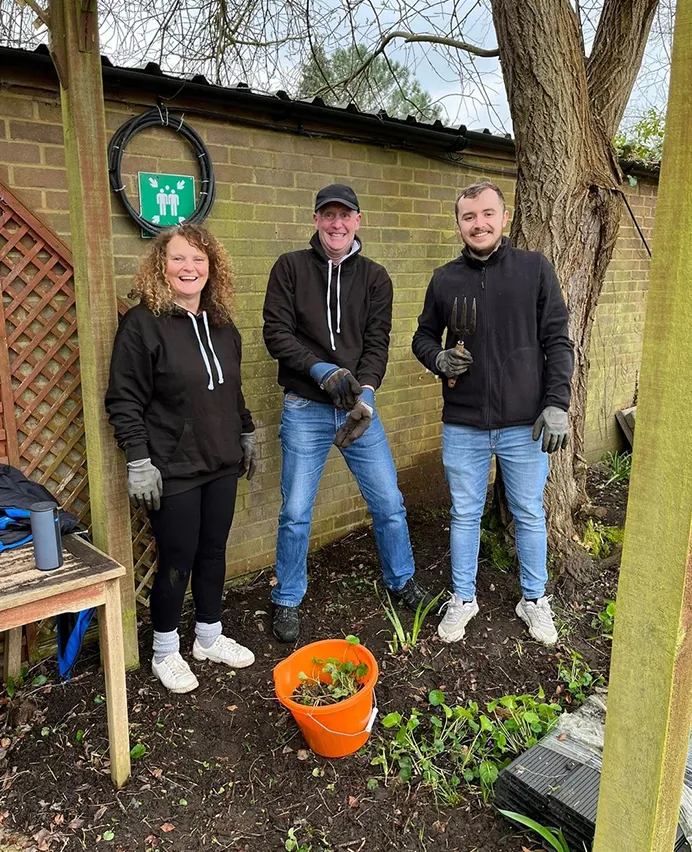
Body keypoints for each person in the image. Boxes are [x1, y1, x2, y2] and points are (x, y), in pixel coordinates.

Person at [263, 183, 438, 642]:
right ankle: (287, 598)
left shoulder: (376, 277)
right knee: (296, 511)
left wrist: (365, 396)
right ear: (316, 220)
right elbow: (277, 335)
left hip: (358, 410)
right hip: (305, 408)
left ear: (358, 221)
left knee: (389, 503)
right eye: (328, 215)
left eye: (345, 215)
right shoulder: (290, 268)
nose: (336, 224)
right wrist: (322, 372)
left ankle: (401, 579)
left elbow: (377, 343)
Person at [412, 181, 574, 647]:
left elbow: (558, 341)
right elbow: (423, 337)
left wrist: (557, 403)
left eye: (487, 214)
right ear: (458, 224)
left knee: (527, 511)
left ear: (504, 218)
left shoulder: (534, 269)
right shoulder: (445, 279)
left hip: (526, 423)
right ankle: (463, 598)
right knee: (464, 512)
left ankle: (534, 599)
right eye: (468, 217)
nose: (478, 223)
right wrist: (438, 360)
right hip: (463, 422)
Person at [105, 224, 256, 693]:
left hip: (222, 461)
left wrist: (247, 431)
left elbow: (231, 389)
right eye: (178, 259)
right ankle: (165, 651)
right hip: (172, 468)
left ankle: (209, 636)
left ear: (212, 268)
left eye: (199, 259)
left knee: (213, 552)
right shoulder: (142, 324)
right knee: (177, 558)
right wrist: (137, 458)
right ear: (161, 267)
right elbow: (124, 399)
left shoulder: (222, 325)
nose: (189, 268)